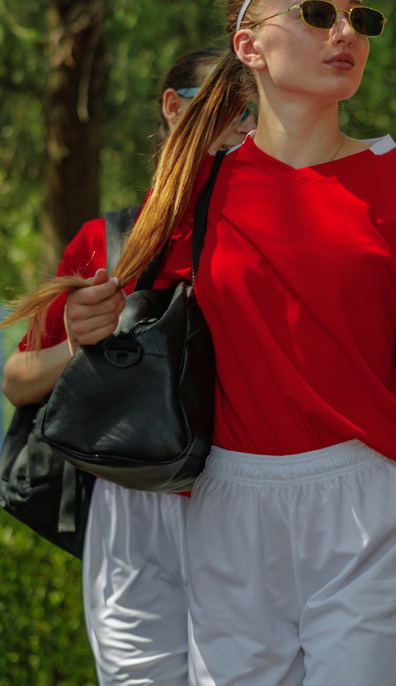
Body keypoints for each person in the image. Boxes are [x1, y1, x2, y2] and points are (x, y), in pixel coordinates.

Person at [4, 0, 396, 685]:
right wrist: (89, 329)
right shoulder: (194, 196)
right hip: (225, 507)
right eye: (318, 13)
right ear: (249, 47)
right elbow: (107, 340)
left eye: (360, 17)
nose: (345, 32)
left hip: (371, 512)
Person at [2, 46, 255, 686]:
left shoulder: (267, 239)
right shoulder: (109, 240)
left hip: (243, 494)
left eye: (254, 113)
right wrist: (84, 345)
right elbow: (18, 379)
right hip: (129, 498)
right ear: (173, 108)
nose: (242, 128)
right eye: (226, 108)